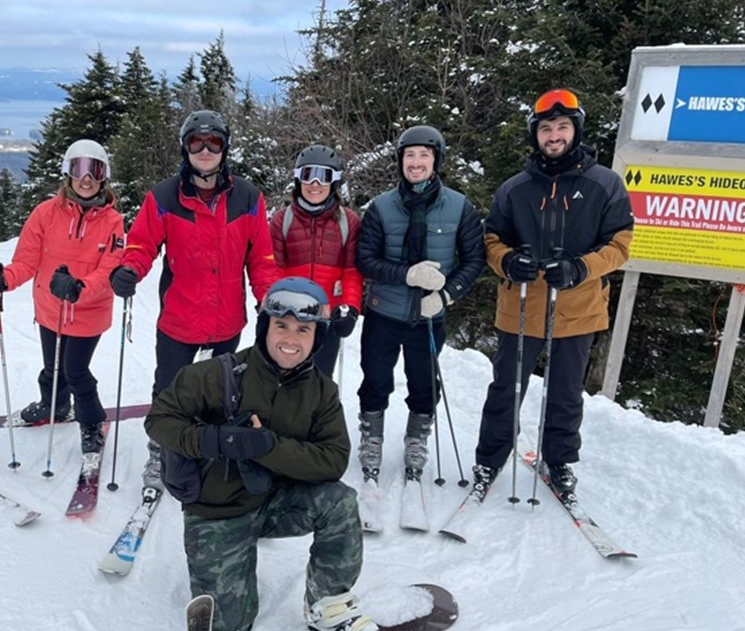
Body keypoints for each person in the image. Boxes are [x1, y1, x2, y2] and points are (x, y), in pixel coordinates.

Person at [145, 276, 382, 631]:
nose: (290, 339)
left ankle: (328, 603)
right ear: (264, 328)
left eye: (303, 330)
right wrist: (217, 441)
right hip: (216, 512)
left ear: (317, 337)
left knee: (339, 502)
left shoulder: (321, 392)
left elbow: (332, 460)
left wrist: (269, 447)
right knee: (236, 625)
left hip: (273, 501)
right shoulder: (216, 375)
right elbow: (160, 420)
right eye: (282, 326)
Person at [472, 88, 633, 497]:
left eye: (562, 127)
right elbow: (491, 240)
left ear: (575, 131)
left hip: (578, 306)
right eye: (547, 128)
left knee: (564, 394)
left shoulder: (606, 184)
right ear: (536, 135)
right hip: (520, 306)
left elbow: (620, 247)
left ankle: (559, 461)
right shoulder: (515, 188)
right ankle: (489, 460)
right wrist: (508, 261)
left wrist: (581, 267)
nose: (554, 135)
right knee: (506, 389)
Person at [109, 109, 280, 490]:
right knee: (169, 389)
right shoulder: (165, 197)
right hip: (179, 319)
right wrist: (129, 270)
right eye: (196, 142)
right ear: (185, 149)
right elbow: (141, 244)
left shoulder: (248, 198)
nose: (205, 150)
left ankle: (210, 448)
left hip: (226, 320)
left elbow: (262, 259)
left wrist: (268, 299)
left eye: (213, 142)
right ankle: (161, 451)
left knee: (221, 390)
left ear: (225, 148)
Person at [354, 125, 485, 484]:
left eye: (424, 155)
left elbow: (475, 259)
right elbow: (365, 260)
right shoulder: (380, 207)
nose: (416, 162)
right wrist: (407, 274)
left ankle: (416, 440)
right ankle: (372, 437)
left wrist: (446, 293)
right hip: (384, 312)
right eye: (409, 155)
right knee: (376, 380)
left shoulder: (459, 207)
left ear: (436, 160)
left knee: (424, 384)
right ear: (400, 161)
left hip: (429, 317)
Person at [0, 139, 125, 454]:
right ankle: (55, 405)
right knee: (52, 367)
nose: (86, 178)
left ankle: (91, 423)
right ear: (67, 173)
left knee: (75, 370)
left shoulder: (113, 221)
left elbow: (109, 270)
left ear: (104, 177)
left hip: (89, 312)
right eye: (79, 169)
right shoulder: (46, 213)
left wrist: (78, 288)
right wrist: (3, 278)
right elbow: (26, 261)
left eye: (94, 170)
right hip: (49, 310)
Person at [268, 144, 363, 378]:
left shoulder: (347, 221)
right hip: (290, 314)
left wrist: (350, 307)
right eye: (308, 175)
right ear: (299, 180)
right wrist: (273, 300)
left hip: (326, 314)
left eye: (324, 176)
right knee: (283, 374)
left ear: (335, 182)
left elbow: (352, 270)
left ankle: (317, 414)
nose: (315, 184)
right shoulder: (283, 220)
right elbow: (273, 268)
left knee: (320, 377)